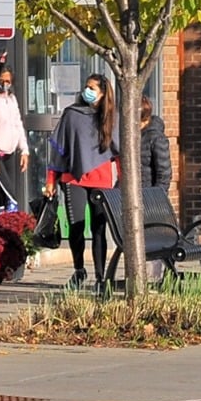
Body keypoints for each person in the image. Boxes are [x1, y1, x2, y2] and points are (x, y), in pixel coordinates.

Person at [47, 73, 118, 291]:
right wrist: (51, 180)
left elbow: (121, 152)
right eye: (85, 87)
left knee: (99, 228)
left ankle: (100, 277)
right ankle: (79, 270)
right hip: (73, 178)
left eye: (92, 88)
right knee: (76, 227)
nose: (86, 91)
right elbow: (59, 151)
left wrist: (122, 183)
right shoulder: (72, 114)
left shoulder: (111, 118)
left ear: (103, 93)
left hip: (102, 180)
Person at [0, 62, 28, 211]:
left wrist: (24, 150)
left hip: (10, 152)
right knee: (9, 193)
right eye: (1, 81)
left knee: (4, 197)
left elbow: (17, 124)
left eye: (8, 81)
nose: (5, 84)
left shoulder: (11, 99)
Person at [138, 95, 172, 191]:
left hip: (147, 192)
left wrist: (156, 198)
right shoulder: (131, 135)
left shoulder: (156, 138)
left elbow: (164, 174)